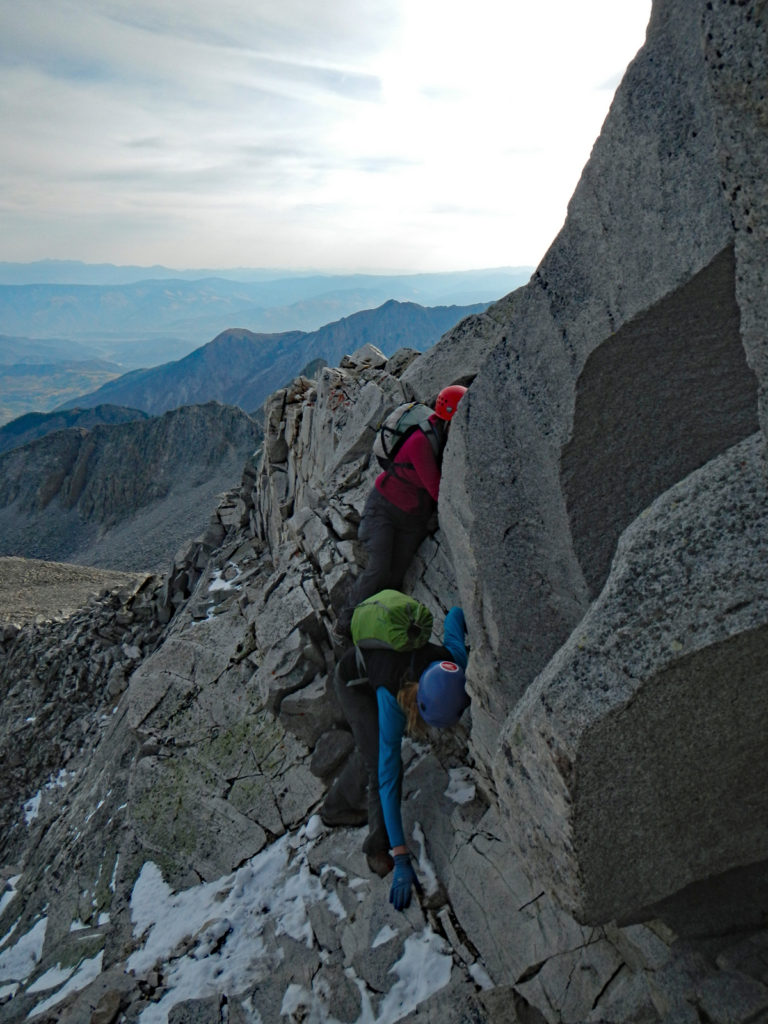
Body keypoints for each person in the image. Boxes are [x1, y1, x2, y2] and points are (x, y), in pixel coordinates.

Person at [321, 605, 469, 911]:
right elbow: (388, 778)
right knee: (380, 764)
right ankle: (373, 843)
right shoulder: (392, 701)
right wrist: (401, 857)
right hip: (353, 685)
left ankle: (340, 801)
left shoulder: (453, 663)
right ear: (419, 709)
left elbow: (455, 614)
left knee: (370, 750)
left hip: (375, 676)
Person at [334, 385, 467, 639]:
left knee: (395, 578)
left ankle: (376, 626)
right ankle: (345, 623)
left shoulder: (439, 436)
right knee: (379, 569)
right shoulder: (421, 443)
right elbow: (437, 490)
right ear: (449, 418)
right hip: (383, 511)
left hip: (412, 520)